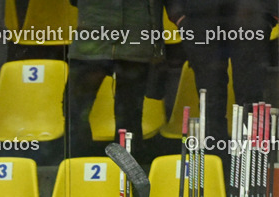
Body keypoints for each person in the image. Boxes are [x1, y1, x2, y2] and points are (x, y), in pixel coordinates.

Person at [165, 0, 276, 165]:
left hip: (252, 10)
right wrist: (178, 13)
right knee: (209, 98)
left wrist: (271, 12)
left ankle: (252, 175)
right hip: (198, 16)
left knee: (251, 96)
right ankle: (215, 168)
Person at [65, 0, 164, 160]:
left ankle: (127, 171)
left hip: (130, 33)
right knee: (75, 108)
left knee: (129, 112)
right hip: (100, 31)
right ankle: (78, 166)